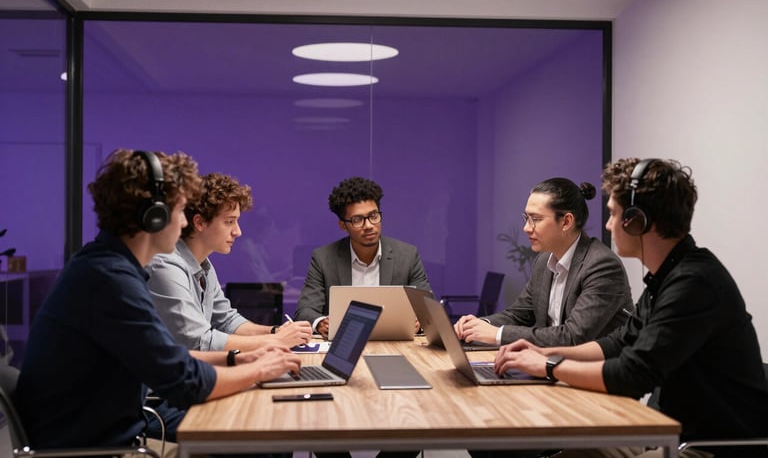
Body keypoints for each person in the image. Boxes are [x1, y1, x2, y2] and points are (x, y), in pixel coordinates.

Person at [15, 149, 300, 456]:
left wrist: (236, 360)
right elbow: (184, 382)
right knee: (266, 437)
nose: (182, 223)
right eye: (179, 212)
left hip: (105, 432)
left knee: (265, 429)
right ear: (155, 217)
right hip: (97, 447)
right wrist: (260, 369)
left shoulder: (108, 267)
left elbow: (171, 356)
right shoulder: (110, 280)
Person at [493, 158, 768, 458]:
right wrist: (544, 353)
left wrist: (548, 366)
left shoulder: (694, 283)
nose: (608, 224)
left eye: (613, 214)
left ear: (637, 220)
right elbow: (620, 342)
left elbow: (632, 375)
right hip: (664, 430)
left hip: (709, 447)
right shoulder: (667, 277)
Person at [455, 178, 632, 347]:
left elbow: (573, 337)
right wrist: (479, 325)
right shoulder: (544, 261)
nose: (526, 228)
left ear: (566, 222)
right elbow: (519, 315)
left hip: (593, 374)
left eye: (536, 219)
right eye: (526, 218)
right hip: (551, 367)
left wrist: (497, 334)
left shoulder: (601, 265)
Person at [147, 172, 312, 353]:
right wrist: (275, 341)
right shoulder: (165, 265)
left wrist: (275, 332)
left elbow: (226, 320)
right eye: (229, 222)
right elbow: (198, 341)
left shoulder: (204, 265)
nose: (238, 232)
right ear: (200, 222)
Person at [294, 176, 432, 338]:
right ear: (343, 225)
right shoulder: (324, 258)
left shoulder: (407, 255)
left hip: (395, 345)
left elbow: (428, 310)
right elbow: (305, 310)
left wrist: (419, 320)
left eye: (373, 216)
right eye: (357, 220)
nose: (368, 226)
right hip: (343, 346)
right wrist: (320, 322)